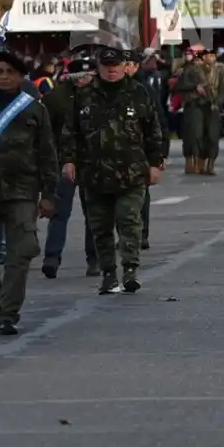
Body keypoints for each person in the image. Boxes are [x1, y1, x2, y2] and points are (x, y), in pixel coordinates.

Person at [0, 51, 61, 334]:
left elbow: (47, 153)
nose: (4, 77)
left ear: (20, 76)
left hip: (22, 190)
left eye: (10, 72)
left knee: (20, 253)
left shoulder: (34, 109)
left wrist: (49, 193)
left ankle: (8, 313)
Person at [73, 45, 165, 295]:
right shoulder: (84, 95)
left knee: (129, 220)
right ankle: (108, 273)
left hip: (132, 171)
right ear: (99, 68)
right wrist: (69, 161)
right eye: (106, 66)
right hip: (95, 172)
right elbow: (71, 133)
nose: (111, 70)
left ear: (125, 67)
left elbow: (153, 131)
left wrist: (156, 164)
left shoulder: (138, 93)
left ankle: (130, 269)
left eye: (116, 66)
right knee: (100, 227)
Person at [42, 56, 100, 279]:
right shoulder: (56, 98)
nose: (86, 80)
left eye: (89, 76)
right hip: (63, 162)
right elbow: (46, 132)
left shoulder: (99, 96)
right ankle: (52, 258)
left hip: (92, 162)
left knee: (93, 213)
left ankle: (93, 259)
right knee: (59, 212)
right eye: (82, 76)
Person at [177, 48, 222, 175]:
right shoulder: (191, 70)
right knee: (195, 135)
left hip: (211, 106)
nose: (211, 58)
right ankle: (195, 163)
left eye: (213, 56)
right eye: (209, 56)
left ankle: (208, 164)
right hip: (195, 105)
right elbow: (178, 86)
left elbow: (223, 89)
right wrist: (194, 87)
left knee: (212, 136)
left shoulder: (219, 71)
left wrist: (217, 103)